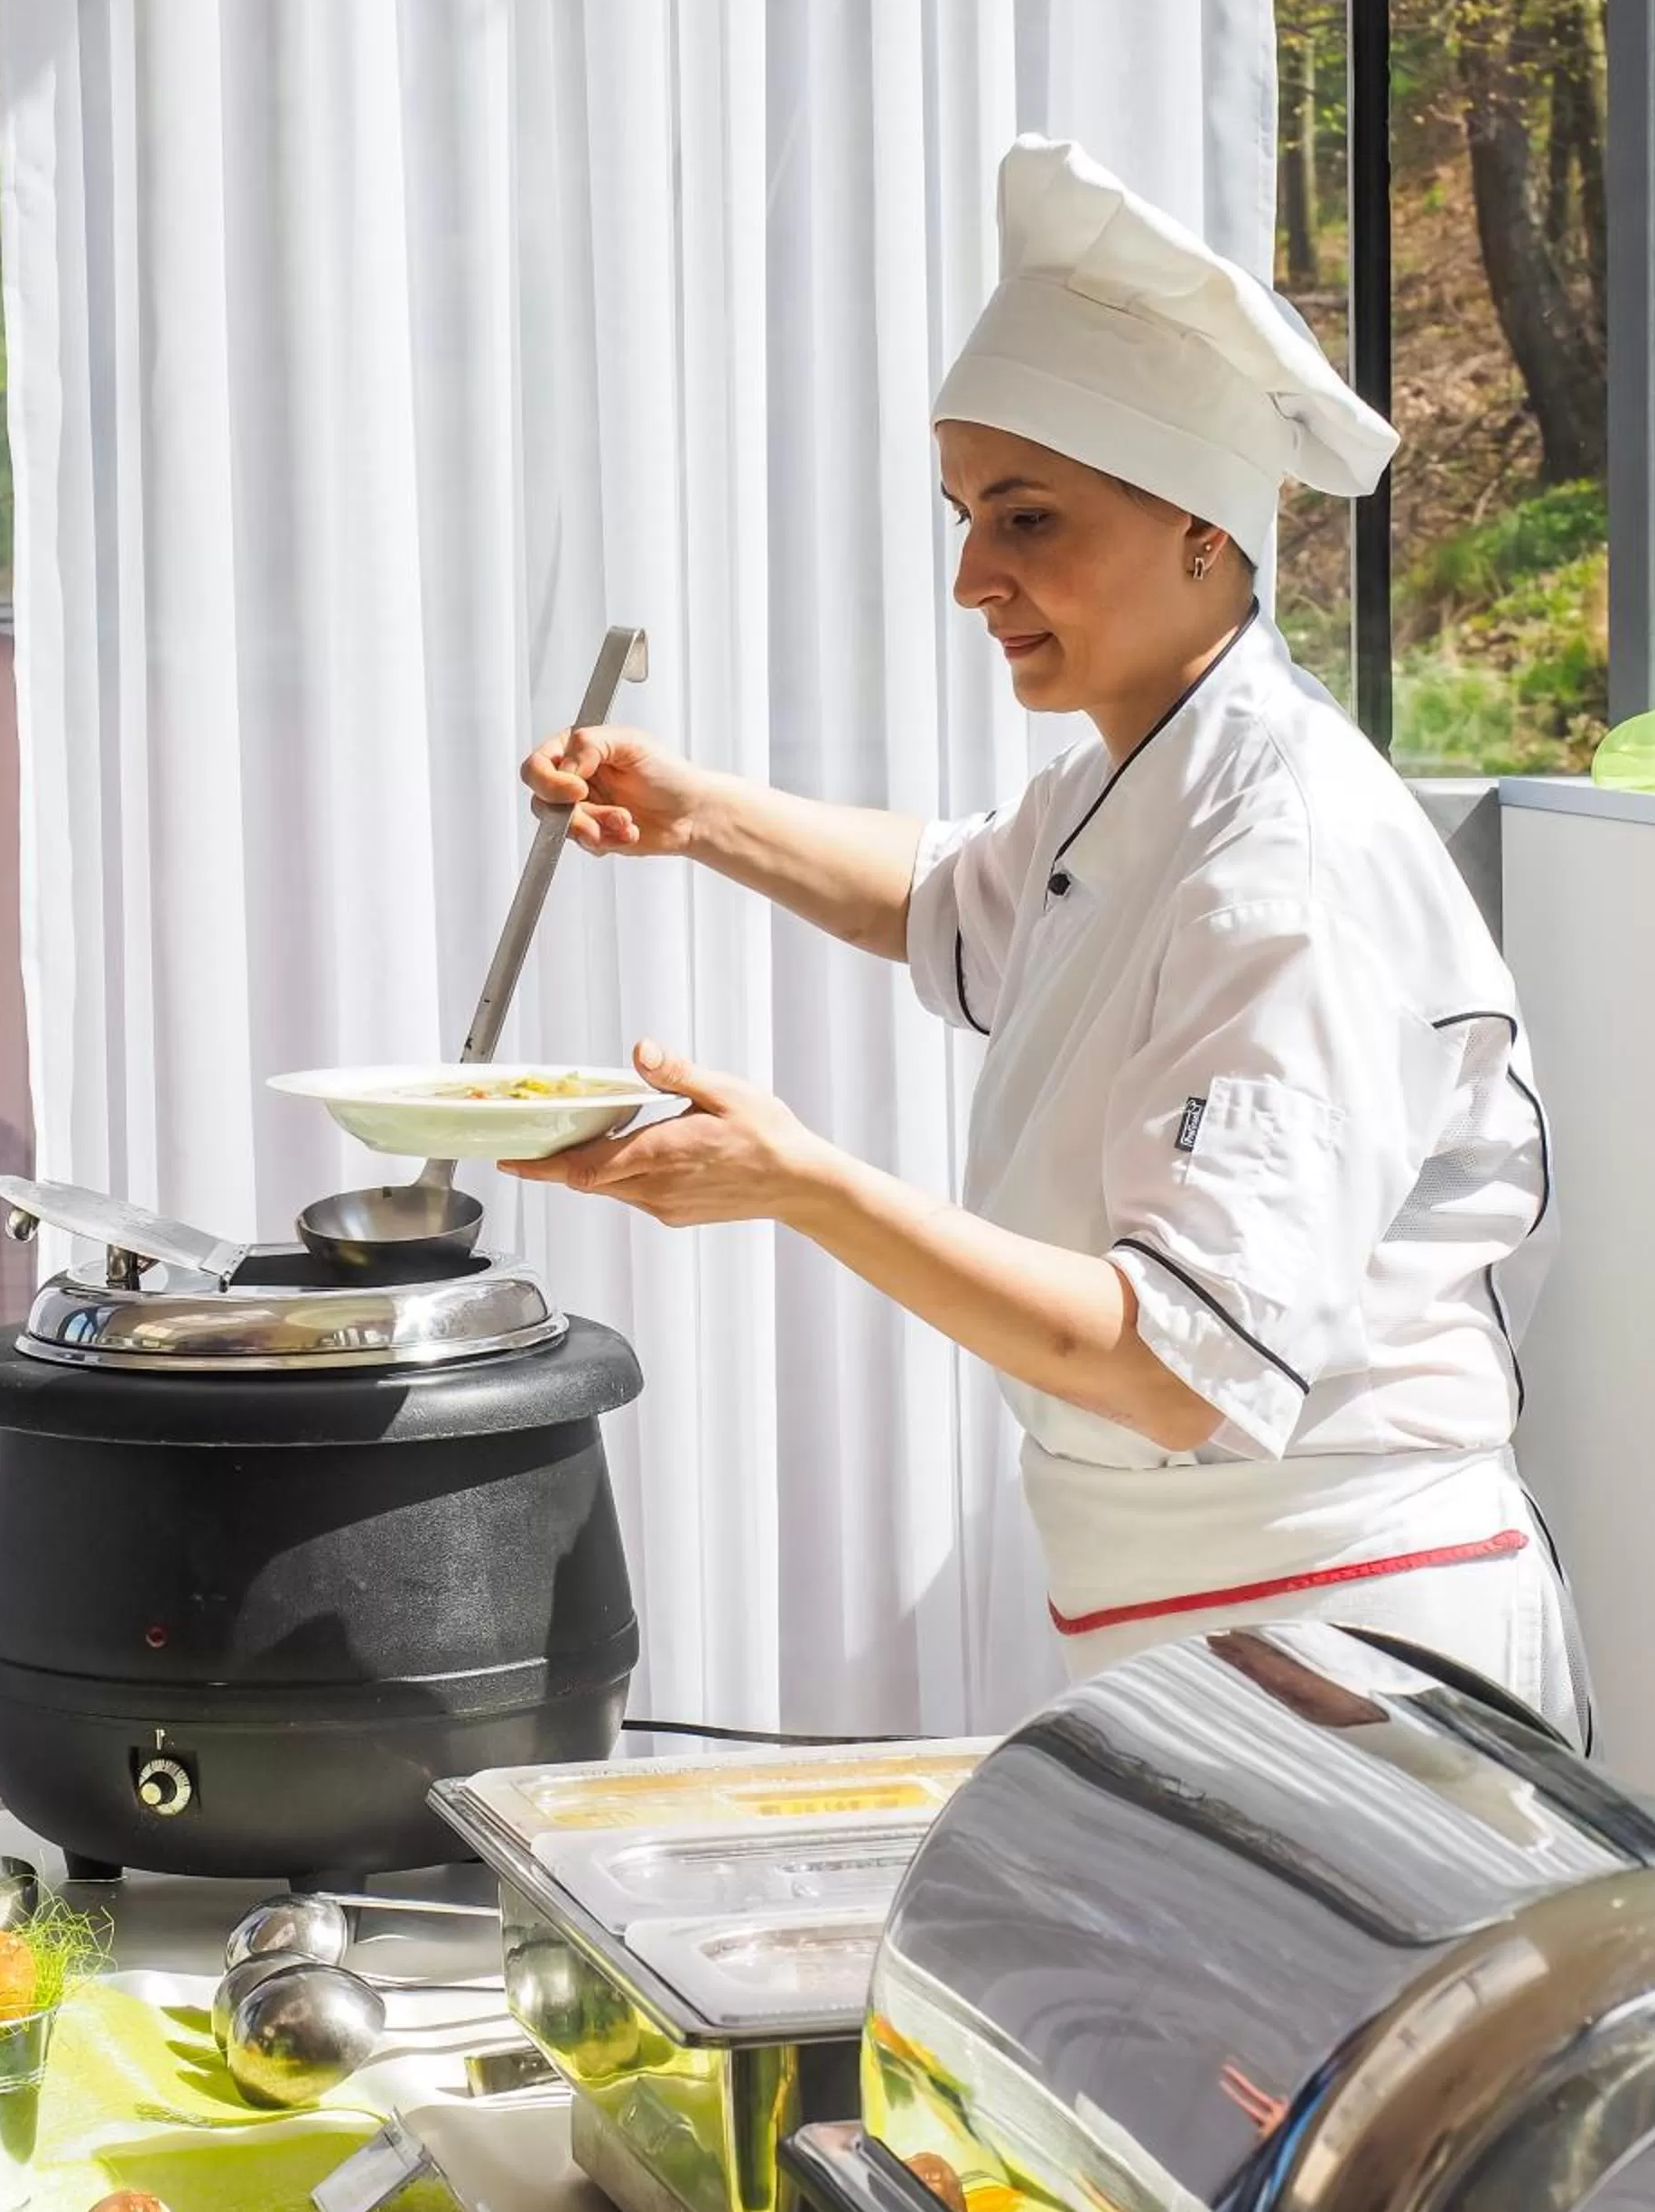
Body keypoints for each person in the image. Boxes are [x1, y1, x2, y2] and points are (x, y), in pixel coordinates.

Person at [507, 136, 1588, 1745]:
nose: (970, 578)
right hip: (1194, 1634)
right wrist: (696, 812)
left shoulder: (1286, 869)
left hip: (1360, 1659)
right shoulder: (1148, 780)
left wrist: (806, 1183)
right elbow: (957, 900)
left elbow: (1176, 1368)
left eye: (1025, 519)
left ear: (1205, 532)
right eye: (964, 515)